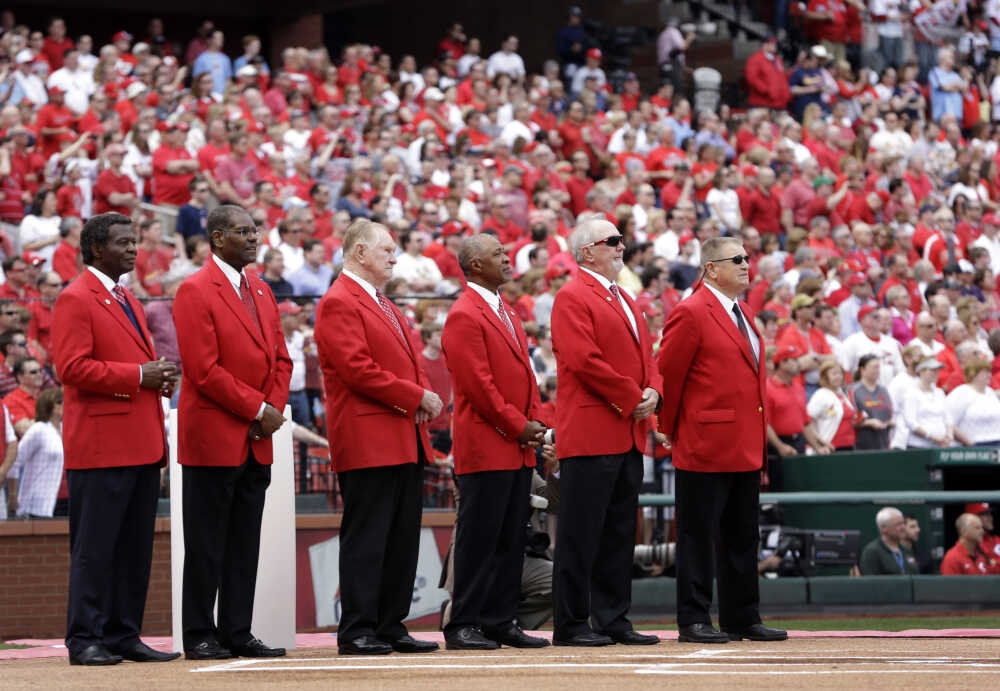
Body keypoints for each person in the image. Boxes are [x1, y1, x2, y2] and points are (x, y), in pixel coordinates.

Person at [52, 212, 180, 666]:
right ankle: (86, 637)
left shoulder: (128, 297)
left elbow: (129, 367)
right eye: (123, 242)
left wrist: (157, 377)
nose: (133, 249)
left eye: (134, 241)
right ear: (94, 249)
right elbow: (70, 368)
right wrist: (138, 375)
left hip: (141, 442)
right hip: (102, 447)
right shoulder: (75, 298)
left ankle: (124, 633)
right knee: (96, 548)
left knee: (133, 550)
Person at [314, 219, 442, 656]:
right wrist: (417, 395)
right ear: (359, 252)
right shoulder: (339, 300)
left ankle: (390, 622)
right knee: (368, 536)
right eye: (387, 249)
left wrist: (420, 394)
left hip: (401, 433)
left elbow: (406, 360)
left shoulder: (382, 301)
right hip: (369, 435)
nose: (394, 256)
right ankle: (357, 627)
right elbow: (357, 369)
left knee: (402, 537)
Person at [173, 204, 292, 660]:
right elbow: (203, 370)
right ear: (218, 238)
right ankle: (200, 632)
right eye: (244, 231)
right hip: (215, 436)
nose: (255, 237)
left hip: (257, 436)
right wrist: (258, 408)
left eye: (255, 229)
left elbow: (282, 359)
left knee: (244, 541)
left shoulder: (261, 289)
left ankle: (237, 630)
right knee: (206, 543)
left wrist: (273, 408)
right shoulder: (195, 289)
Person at [658, 236, 786, 644]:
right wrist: (667, 426)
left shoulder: (743, 310)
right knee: (698, 537)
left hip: (744, 442)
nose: (747, 264)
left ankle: (742, 615)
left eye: (748, 257)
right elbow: (670, 375)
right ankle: (694, 619)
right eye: (738, 259)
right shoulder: (691, 311)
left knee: (741, 535)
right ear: (711, 268)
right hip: (704, 440)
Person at [549, 219, 662, 647]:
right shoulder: (572, 295)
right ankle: (572, 623)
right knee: (581, 535)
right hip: (594, 430)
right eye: (611, 242)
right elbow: (583, 359)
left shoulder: (625, 297)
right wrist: (635, 396)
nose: (621, 247)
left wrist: (654, 389)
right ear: (586, 252)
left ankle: (614, 618)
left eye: (621, 240)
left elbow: (647, 356)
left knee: (618, 533)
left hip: (627, 429)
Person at [439, 234, 548, 650]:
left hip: (516, 446)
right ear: (474, 265)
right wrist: (519, 425)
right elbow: (478, 387)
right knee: (479, 540)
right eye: (497, 254)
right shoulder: (465, 313)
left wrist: (535, 420)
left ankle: (501, 619)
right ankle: (463, 622)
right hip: (487, 446)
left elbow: (526, 376)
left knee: (510, 539)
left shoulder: (507, 311)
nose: (506, 259)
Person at [11, 388, 63, 518]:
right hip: (38, 500)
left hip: (64, 498)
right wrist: (13, 494)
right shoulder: (38, 429)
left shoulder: (66, 429)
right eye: (60, 401)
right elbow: (15, 461)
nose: (65, 404)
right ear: (48, 404)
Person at [903, 358, 957, 449]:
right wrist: (931, 437)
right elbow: (911, 422)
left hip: (941, 445)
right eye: (932, 370)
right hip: (919, 446)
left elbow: (948, 417)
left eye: (937, 370)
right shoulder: (911, 393)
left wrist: (949, 435)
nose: (935, 373)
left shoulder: (939, 392)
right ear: (921, 371)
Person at [944, 359, 1000, 446]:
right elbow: (949, 420)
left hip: (996, 442)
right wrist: (969, 443)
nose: (989, 375)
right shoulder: (961, 392)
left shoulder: (990, 392)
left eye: (989, 372)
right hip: (974, 445)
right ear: (973, 374)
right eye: (985, 372)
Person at [806, 360, 857, 451]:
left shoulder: (843, 393)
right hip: (830, 446)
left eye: (840, 373)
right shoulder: (820, 395)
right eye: (834, 374)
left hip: (849, 445)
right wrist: (819, 442)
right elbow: (807, 422)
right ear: (825, 376)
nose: (838, 377)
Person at [849, 354, 894, 450]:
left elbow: (889, 413)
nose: (877, 370)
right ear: (862, 369)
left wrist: (889, 422)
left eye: (878, 367)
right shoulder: (854, 390)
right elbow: (850, 417)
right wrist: (868, 422)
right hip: (862, 444)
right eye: (874, 367)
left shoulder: (883, 390)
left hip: (884, 443)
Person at [857, 507, 920, 575]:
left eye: (903, 523)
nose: (903, 527)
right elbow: (871, 582)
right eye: (898, 524)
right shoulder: (872, 551)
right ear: (884, 528)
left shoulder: (906, 550)